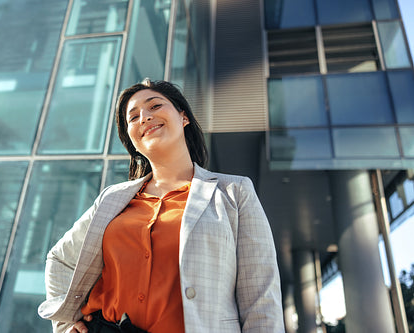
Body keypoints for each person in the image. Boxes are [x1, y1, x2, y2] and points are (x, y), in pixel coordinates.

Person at [38, 79, 284, 333]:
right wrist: (65, 325)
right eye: (132, 118)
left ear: (183, 117)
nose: (144, 117)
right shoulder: (112, 199)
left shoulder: (234, 192)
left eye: (154, 106)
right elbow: (60, 260)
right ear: (132, 140)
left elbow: (261, 297)